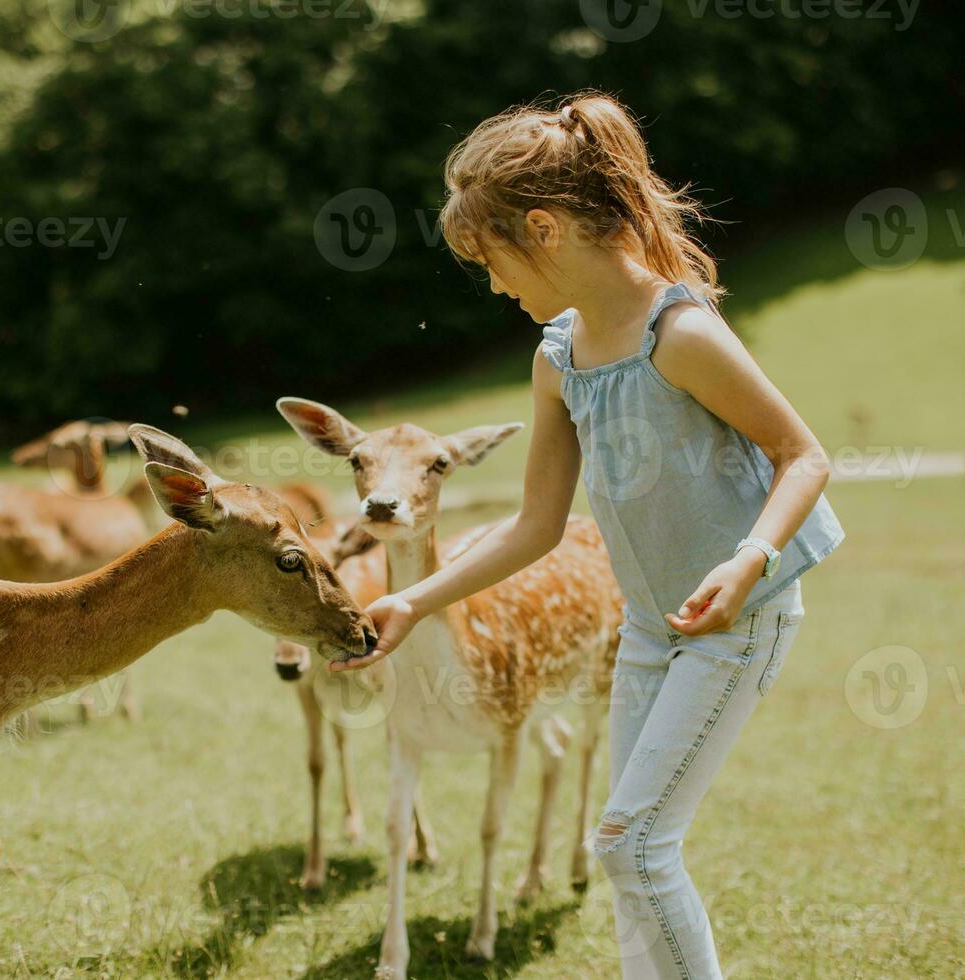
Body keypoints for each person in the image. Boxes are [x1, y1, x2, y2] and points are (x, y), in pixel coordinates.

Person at [330, 92, 845, 979]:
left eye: (490, 261)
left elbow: (802, 456)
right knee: (634, 859)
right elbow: (535, 526)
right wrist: (410, 598)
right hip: (650, 630)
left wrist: (747, 560)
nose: (493, 285)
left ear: (544, 229)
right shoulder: (558, 357)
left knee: (631, 848)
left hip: (736, 622)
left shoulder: (677, 334)